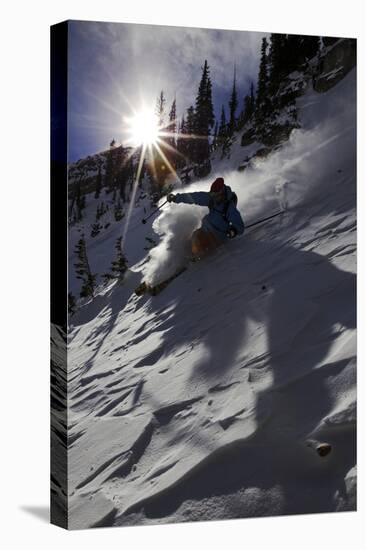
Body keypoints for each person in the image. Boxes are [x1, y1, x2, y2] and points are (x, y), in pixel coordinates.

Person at [167, 177, 245, 258]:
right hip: (205, 230)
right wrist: (176, 198)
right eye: (212, 194)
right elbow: (195, 197)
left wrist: (233, 231)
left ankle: (192, 258)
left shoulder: (229, 208)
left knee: (198, 242)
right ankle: (179, 257)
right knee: (191, 238)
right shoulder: (212, 199)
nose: (213, 197)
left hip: (217, 236)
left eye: (215, 195)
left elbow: (240, 227)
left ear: (221, 193)